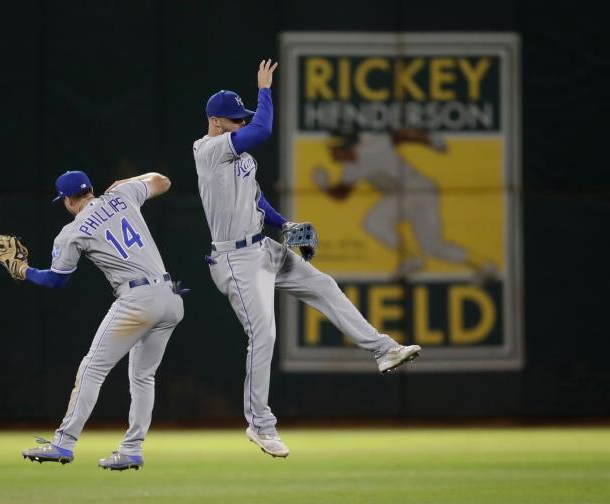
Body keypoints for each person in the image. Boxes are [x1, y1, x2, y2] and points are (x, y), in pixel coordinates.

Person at [192, 60, 420, 458]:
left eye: (242, 119)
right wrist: (265, 89)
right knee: (263, 335)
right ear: (215, 121)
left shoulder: (239, 158)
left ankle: (383, 350)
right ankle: (260, 425)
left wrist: (285, 225)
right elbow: (263, 129)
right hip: (235, 261)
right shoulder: (209, 150)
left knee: (324, 285)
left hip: (262, 248)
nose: (242, 124)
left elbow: (256, 200)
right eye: (234, 120)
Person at [0, 170, 185, 471]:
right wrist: (128, 181)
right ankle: (132, 449)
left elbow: (56, 281)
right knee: (143, 377)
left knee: (92, 369)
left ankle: (64, 443)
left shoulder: (73, 231)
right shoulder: (122, 195)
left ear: (67, 200)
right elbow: (163, 180)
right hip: (171, 296)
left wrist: (23, 270)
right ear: (91, 190)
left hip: (137, 299)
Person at [314, 127, 496, 281]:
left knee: (374, 222)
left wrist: (430, 140)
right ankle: (484, 265)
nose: (331, 152)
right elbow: (342, 194)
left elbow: (400, 135)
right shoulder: (351, 168)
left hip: (416, 188)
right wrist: (324, 188)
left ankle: (412, 258)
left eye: (333, 147)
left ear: (344, 146)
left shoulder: (372, 147)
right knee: (432, 246)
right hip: (418, 192)